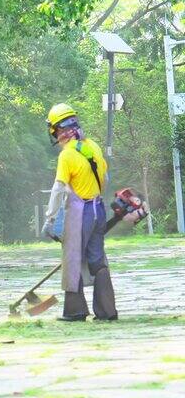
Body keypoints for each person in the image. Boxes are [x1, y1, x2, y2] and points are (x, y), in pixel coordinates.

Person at [42, 103, 117, 322]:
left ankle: (75, 311)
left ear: (58, 131)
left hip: (80, 212)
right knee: (97, 260)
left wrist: (50, 219)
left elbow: (57, 189)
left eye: (55, 130)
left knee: (72, 260)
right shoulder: (92, 146)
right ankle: (107, 311)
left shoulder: (66, 156)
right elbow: (104, 177)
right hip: (98, 209)